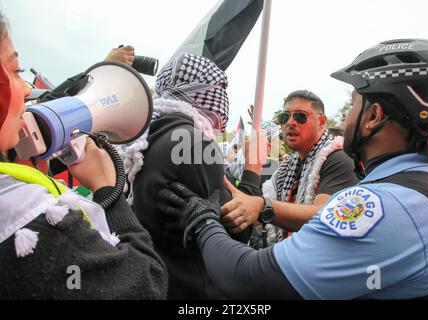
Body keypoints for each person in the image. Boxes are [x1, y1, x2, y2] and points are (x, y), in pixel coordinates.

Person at [157, 38, 428, 299]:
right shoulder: (426, 183)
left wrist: (203, 222)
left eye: (353, 104)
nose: (290, 123)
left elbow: (245, 278)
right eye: (285, 116)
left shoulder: (379, 204)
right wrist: (252, 180)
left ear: (373, 116)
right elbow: (258, 201)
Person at [0, 12, 168, 299]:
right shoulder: (27, 221)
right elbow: (146, 284)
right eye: (15, 72)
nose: (27, 90)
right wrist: (107, 188)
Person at [119, 53, 261, 299]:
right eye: (220, 89)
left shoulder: (148, 136)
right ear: (197, 90)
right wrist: (253, 171)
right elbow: (235, 233)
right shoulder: (193, 144)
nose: (223, 99)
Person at [222, 90, 358, 240]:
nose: (290, 122)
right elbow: (251, 211)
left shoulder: (338, 158)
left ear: (321, 122)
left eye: (300, 116)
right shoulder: (287, 168)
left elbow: (324, 217)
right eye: (284, 116)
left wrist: (263, 206)